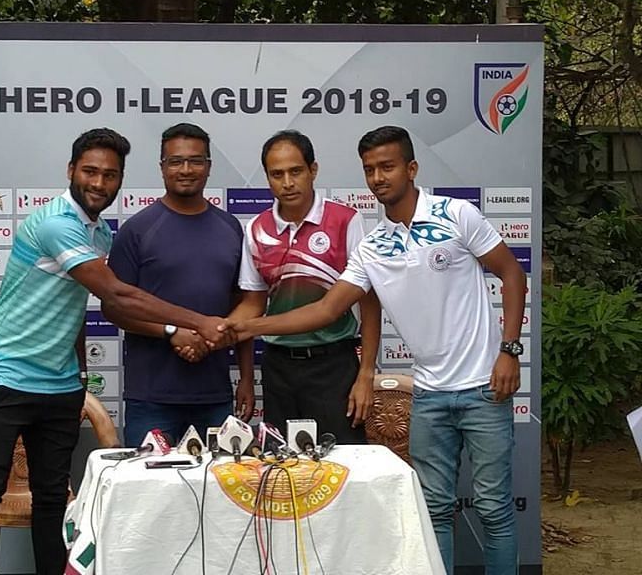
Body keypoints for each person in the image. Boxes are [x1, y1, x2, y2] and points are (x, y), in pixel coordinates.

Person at [227, 125, 526, 575]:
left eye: (387, 167)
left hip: (485, 387)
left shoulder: (457, 214)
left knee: (494, 508)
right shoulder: (372, 246)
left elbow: (512, 274)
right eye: (369, 170)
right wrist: (246, 327)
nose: (378, 178)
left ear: (411, 168)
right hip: (428, 395)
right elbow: (328, 308)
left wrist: (509, 349)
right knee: (435, 509)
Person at [0, 128, 235, 575]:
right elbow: (117, 296)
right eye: (90, 172)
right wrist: (197, 321)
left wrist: (79, 374)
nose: (99, 183)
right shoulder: (54, 224)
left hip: (60, 387)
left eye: (110, 175)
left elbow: (76, 306)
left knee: (51, 499)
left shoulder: (99, 232)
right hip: (5, 378)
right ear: (70, 171)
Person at [103, 123, 254, 446]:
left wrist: (246, 378)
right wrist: (172, 332)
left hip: (215, 397)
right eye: (175, 161)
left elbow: (243, 306)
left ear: (209, 167)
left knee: (218, 492)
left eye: (196, 161)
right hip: (151, 399)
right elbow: (114, 308)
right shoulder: (138, 230)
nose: (186, 169)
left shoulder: (231, 228)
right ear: (162, 168)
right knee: (147, 492)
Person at [227, 129, 380, 443]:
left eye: (295, 171)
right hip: (278, 367)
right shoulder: (257, 228)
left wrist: (366, 374)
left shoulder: (346, 220)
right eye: (276, 174)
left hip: (334, 365)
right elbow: (252, 304)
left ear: (313, 170)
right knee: (284, 469)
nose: (287, 183)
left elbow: (369, 303)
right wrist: (220, 329)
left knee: (342, 466)